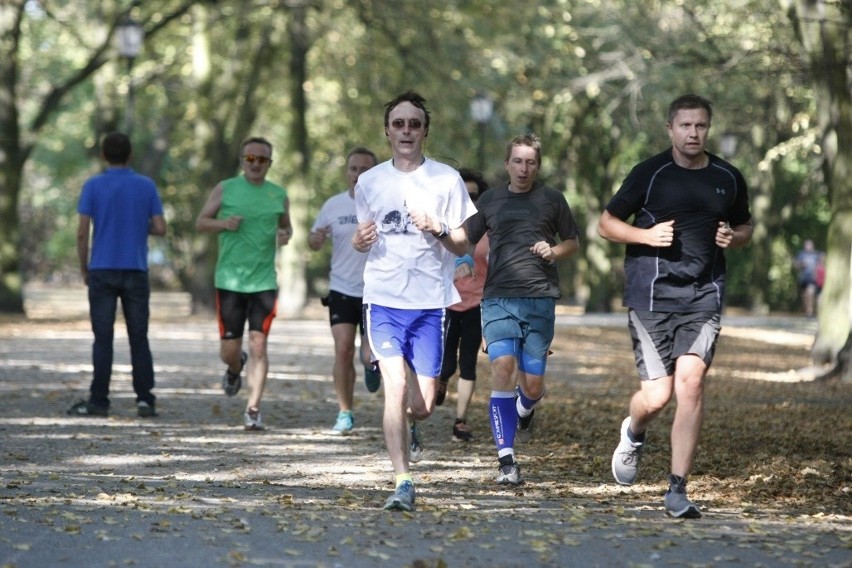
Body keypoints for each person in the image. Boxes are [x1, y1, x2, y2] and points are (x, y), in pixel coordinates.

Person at [598, 94, 753, 519]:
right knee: (657, 395)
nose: (693, 133)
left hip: (704, 294)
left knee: (692, 383)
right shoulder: (650, 174)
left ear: (708, 128)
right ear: (670, 129)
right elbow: (606, 223)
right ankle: (633, 432)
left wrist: (733, 238)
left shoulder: (727, 176)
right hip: (650, 297)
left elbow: (744, 225)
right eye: (685, 126)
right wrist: (646, 237)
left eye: (700, 126)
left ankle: (677, 489)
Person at [351, 91, 476, 511]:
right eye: (399, 124)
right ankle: (403, 481)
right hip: (383, 299)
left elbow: (463, 243)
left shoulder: (446, 180)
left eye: (414, 124)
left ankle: (410, 426)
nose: (406, 130)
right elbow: (363, 241)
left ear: (425, 131)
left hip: (429, 303)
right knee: (396, 387)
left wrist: (438, 227)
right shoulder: (369, 182)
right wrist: (358, 240)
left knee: (421, 407)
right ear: (387, 131)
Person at [466, 134, 581, 486]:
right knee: (502, 367)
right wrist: (457, 258)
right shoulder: (490, 200)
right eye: (517, 161)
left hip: (539, 299)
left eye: (530, 162)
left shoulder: (552, 199)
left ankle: (525, 408)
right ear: (507, 164)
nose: (523, 168)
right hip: (498, 297)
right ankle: (506, 460)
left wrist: (553, 251)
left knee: (532, 385)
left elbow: (573, 242)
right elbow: (465, 238)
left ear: (538, 165)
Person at [196, 136, 293, 431]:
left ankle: (253, 408)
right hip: (230, 280)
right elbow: (201, 222)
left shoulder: (278, 194)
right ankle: (234, 365)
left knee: (259, 344)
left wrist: (285, 236)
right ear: (242, 161)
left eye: (262, 160)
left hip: (264, 281)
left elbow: (286, 227)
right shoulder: (226, 189)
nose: (256, 164)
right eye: (250, 158)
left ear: (269, 164)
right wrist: (223, 224)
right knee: (229, 349)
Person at [68, 131, 167, 418]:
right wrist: (138, 225)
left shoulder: (93, 185)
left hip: (102, 269)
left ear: (103, 155)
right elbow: (160, 228)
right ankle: (145, 400)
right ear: (131, 154)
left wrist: (84, 266)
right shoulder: (146, 185)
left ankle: (99, 401)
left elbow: (82, 231)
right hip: (135, 270)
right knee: (139, 336)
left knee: (103, 337)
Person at [308, 146, 380, 435]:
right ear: (347, 172)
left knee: (368, 356)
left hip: (376, 291)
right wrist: (315, 238)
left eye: (365, 169)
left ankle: (371, 366)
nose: (358, 174)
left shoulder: (383, 204)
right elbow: (314, 241)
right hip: (341, 289)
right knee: (343, 349)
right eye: (354, 169)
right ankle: (345, 412)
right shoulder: (333, 205)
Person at [436, 168, 490, 442]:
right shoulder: (442, 224)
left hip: (476, 305)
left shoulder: (489, 229)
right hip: (447, 302)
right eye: (464, 194)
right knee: (446, 365)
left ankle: (461, 421)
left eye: (475, 195)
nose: (470, 200)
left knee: (468, 363)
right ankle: (442, 380)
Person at [794, 239, 821, 317]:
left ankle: (810, 312)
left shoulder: (816, 255)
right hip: (803, 278)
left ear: (812, 245)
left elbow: (820, 266)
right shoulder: (801, 254)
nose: (807, 246)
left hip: (812, 279)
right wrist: (801, 264)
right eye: (806, 245)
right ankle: (807, 311)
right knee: (805, 296)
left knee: (810, 293)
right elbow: (795, 265)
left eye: (809, 245)